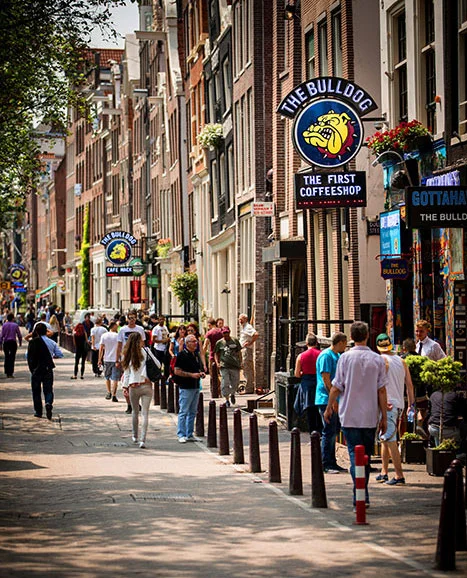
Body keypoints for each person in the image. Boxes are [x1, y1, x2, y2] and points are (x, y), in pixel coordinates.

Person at [324, 321, 388, 510]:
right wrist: (384, 416)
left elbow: (336, 387)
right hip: (369, 416)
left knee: (354, 455)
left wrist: (329, 407)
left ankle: (359, 494)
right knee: (365, 456)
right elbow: (382, 391)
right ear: (367, 336)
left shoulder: (344, 359)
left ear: (351, 337)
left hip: (349, 414)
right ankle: (362, 492)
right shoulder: (377, 359)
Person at [376, 333, 415, 486]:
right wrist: (411, 405)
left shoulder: (381, 361)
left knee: (390, 440)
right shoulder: (402, 361)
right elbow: (410, 386)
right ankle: (384, 472)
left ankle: (399, 475)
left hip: (388, 404)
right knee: (384, 439)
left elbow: (379, 386)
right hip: (398, 404)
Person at [315, 332, 348, 473]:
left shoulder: (337, 356)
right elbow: (325, 378)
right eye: (345, 343)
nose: (346, 346)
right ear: (340, 342)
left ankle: (332, 461)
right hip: (325, 399)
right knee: (328, 431)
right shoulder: (326, 356)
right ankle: (326, 463)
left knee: (333, 430)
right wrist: (332, 399)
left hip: (335, 399)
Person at [121, 332, 152, 449]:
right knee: (145, 413)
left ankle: (135, 435)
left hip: (133, 386)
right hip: (146, 385)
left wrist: (125, 387)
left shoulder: (127, 355)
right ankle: (143, 440)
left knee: (135, 412)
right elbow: (158, 365)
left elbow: (127, 373)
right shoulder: (147, 351)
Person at [27, 322, 63, 420]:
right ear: (46, 331)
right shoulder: (52, 342)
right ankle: (48, 402)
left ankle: (38, 411)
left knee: (36, 391)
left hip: (36, 370)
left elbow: (28, 356)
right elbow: (60, 354)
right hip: (47, 369)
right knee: (48, 389)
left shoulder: (32, 342)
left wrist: (32, 369)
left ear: (36, 331)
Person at [174, 334, 206, 443]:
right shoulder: (182, 355)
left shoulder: (195, 355)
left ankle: (189, 433)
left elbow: (196, 368)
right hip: (186, 387)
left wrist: (200, 373)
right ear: (187, 343)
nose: (195, 343)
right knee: (184, 411)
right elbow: (177, 371)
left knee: (193, 411)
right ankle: (181, 434)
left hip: (196, 385)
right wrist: (191, 375)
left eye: (196, 341)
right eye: (193, 342)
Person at [116, 311, 147, 414]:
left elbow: (143, 344)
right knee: (126, 381)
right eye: (130, 318)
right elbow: (119, 345)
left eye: (133, 318)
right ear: (127, 319)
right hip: (126, 357)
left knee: (136, 382)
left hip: (138, 358)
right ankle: (129, 404)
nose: (132, 320)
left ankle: (135, 403)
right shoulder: (123, 330)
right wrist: (117, 359)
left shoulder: (140, 329)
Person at [294, 333, 321, 434]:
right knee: (319, 408)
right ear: (316, 343)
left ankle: (312, 433)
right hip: (319, 383)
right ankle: (320, 430)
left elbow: (297, 374)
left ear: (306, 343)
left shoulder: (301, 356)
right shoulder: (321, 354)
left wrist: (302, 372)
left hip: (307, 385)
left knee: (310, 409)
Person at [214, 326, 242, 407]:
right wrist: (217, 363)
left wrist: (241, 362)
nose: (226, 335)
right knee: (225, 382)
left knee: (235, 382)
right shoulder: (219, 343)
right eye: (224, 333)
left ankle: (232, 393)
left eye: (227, 333)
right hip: (224, 365)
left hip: (234, 365)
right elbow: (216, 353)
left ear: (229, 332)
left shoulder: (235, 341)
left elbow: (239, 352)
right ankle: (226, 399)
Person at [98, 320, 121, 402]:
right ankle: (114, 394)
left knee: (107, 377)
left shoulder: (104, 336)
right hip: (116, 359)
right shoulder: (118, 336)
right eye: (116, 325)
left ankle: (108, 392)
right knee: (115, 378)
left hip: (107, 358)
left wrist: (99, 359)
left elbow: (101, 348)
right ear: (113, 326)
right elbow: (120, 348)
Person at [203, 318, 223, 398]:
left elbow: (205, 345)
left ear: (209, 325)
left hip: (212, 356)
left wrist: (202, 356)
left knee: (213, 374)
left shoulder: (209, 333)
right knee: (221, 374)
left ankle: (215, 391)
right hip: (222, 355)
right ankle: (221, 390)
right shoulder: (221, 331)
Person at [238, 313, 258, 394]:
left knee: (248, 369)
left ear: (245, 319)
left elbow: (256, 334)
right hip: (244, 350)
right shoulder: (244, 327)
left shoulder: (248, 327)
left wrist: (250, 343)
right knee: (246, 369)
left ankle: (249, 389)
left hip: (247, 350)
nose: (240, 320)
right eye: (239, 319)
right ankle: (248, 387)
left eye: (241, 319)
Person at [0, 312, 22, 377]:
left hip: (6, 343)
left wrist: (0, 344)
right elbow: (19, 335)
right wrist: (20, 342)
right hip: (13, 343)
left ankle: (7, 372)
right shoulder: (15, 325)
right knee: (12, 358)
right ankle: (11, 373)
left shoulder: (4, 325)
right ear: (12, 318)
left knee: (7, 357)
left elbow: (1, 336)